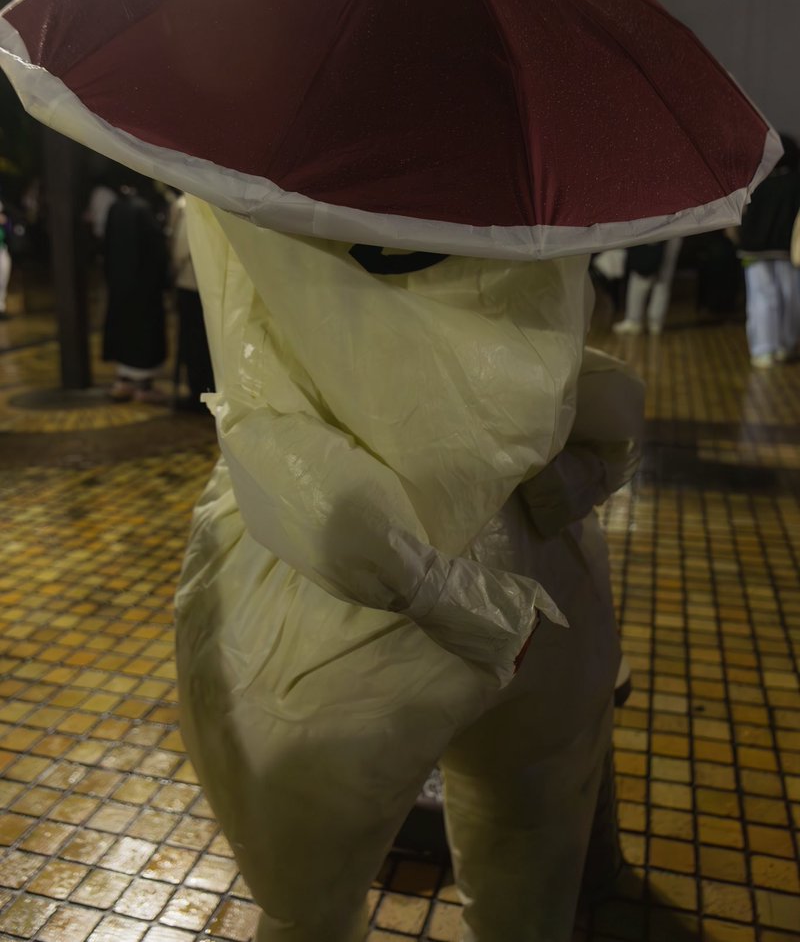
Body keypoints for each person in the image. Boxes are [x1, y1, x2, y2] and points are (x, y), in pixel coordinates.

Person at [174, 197, 645, 942]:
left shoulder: (253, 177)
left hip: (325, 591)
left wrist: (437, 585)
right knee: (531, 853)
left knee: (309, 896)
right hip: (538, 560)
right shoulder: (536, 180)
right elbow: (579, 381)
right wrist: (578, 471)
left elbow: (263, 411)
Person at [735, 133, 800, 368]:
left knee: (760, 299)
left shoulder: (756, 182)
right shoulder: (795, 182)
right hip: (786, 250)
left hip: (753, 250)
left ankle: (763, 351)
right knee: (790, 298)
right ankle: (785, 345)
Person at [103, 177, 169, 402]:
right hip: (144, 286)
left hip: (119, 283)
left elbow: (106, 246)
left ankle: (123, 381)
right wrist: (165, 281)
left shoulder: (115, 208)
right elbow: (157, 251)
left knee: (123, 331)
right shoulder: (144, 210)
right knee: (144, 335)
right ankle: (144, 387)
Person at [168, 191, 214, 410]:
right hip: (211, 282)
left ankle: (199, 393)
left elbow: (181, 249)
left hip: (190, 282)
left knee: (194, 341)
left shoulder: (187, 204)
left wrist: (172, 272)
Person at [612, 237, 682, 336]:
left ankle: (636, 320)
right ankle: (654, 322)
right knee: (662, 277)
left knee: (645, 276)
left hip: (656, 234)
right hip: (672, 233)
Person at [0, 199, 11, 320]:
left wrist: (5, 222)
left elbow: (9, 229)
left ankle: (1, 308)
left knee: (3, 279)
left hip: (2, 250)